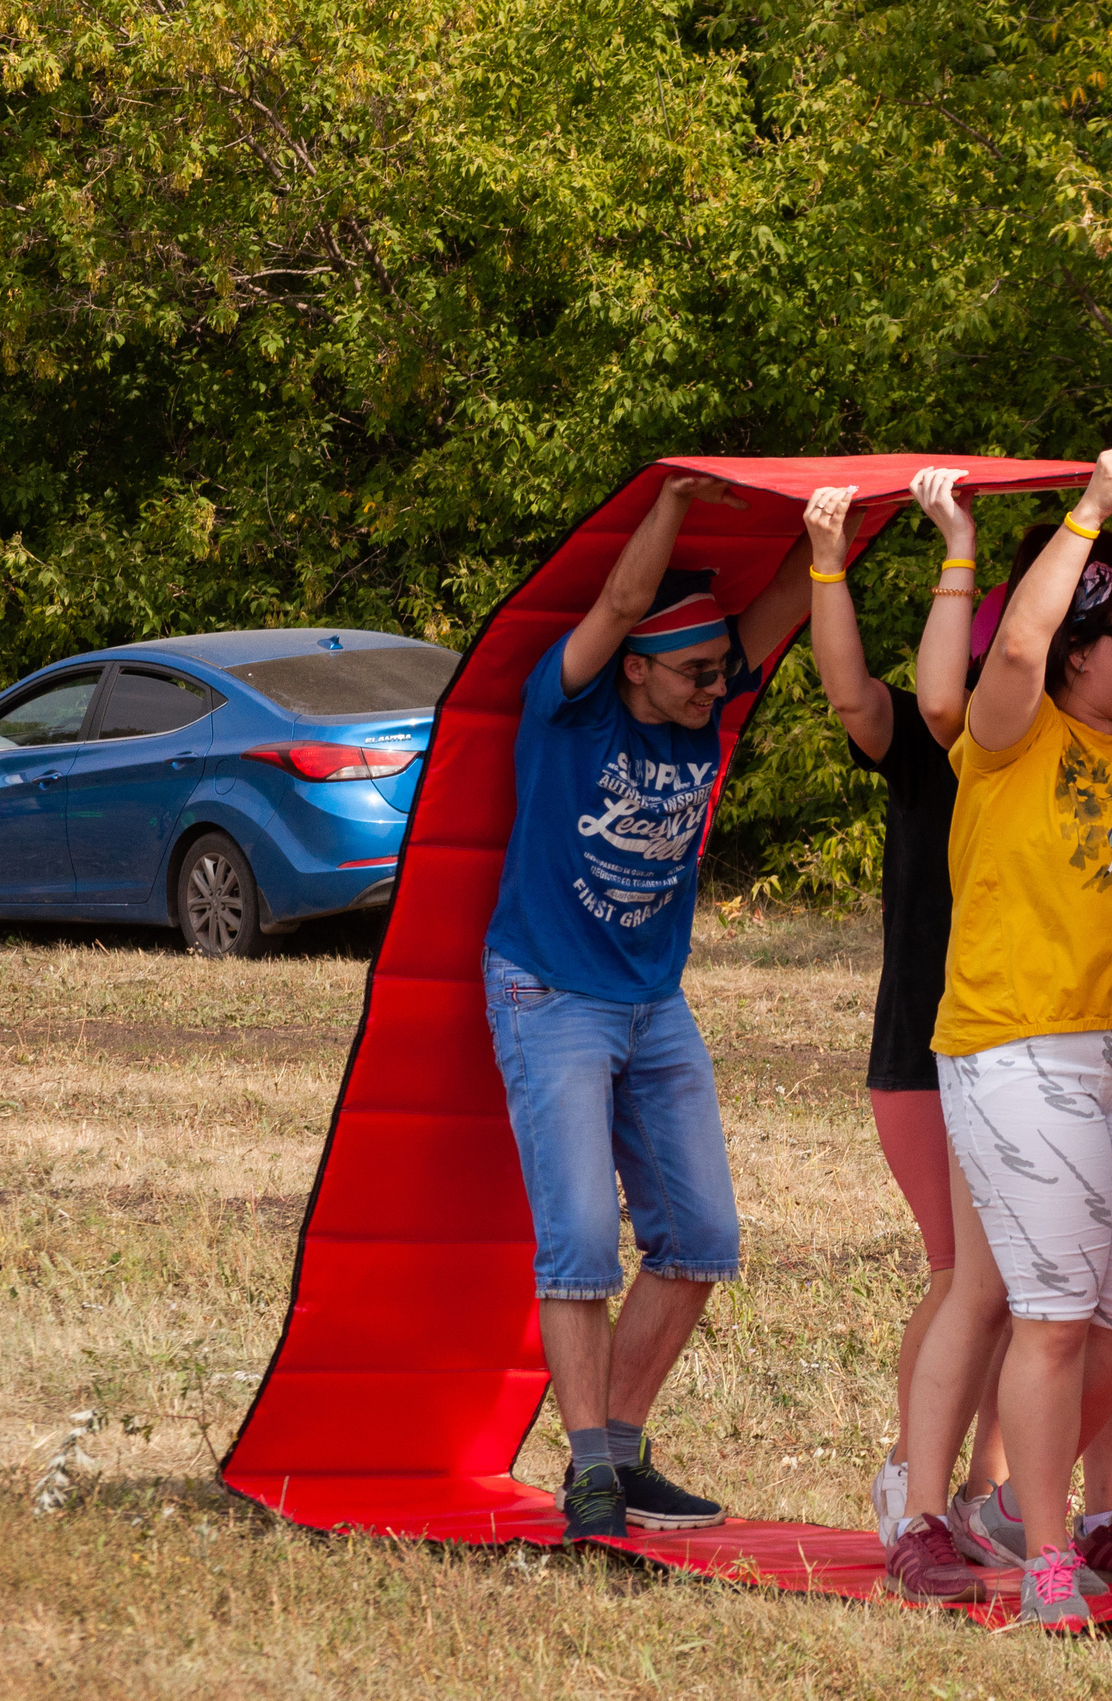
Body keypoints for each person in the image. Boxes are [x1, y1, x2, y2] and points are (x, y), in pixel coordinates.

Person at [887, 442, 1112, 1629]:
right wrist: (1092, 506)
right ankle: (1035, 1560)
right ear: (1083, 651)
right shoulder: (1007, 733)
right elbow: (1016, 647)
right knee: (1053, 1312)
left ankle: (1064, 1513)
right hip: (1022, 1050)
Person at [481, 471, 810, 1540]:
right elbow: (621, 605)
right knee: (578, 1240)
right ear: (637, 669)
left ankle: (618, 1452)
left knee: (703, 1237)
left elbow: (797, 594)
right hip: (552, 991)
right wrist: (672, 496)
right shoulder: (567, 706)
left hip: (652, 1002)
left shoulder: (696, 708)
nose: (719, 686)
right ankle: (586, 1475)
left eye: (724, 669)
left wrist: (846, 523)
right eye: (697, 672)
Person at [791, 483, 1012, 1540]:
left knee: (1021, 1281)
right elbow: (850, 694)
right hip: (926, 1050)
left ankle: (982, 1495)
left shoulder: (1066, 753)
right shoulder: (934, 743)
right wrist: (827, 561)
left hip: (1021, 1040)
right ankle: (908, 1480)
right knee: (965, 1271)